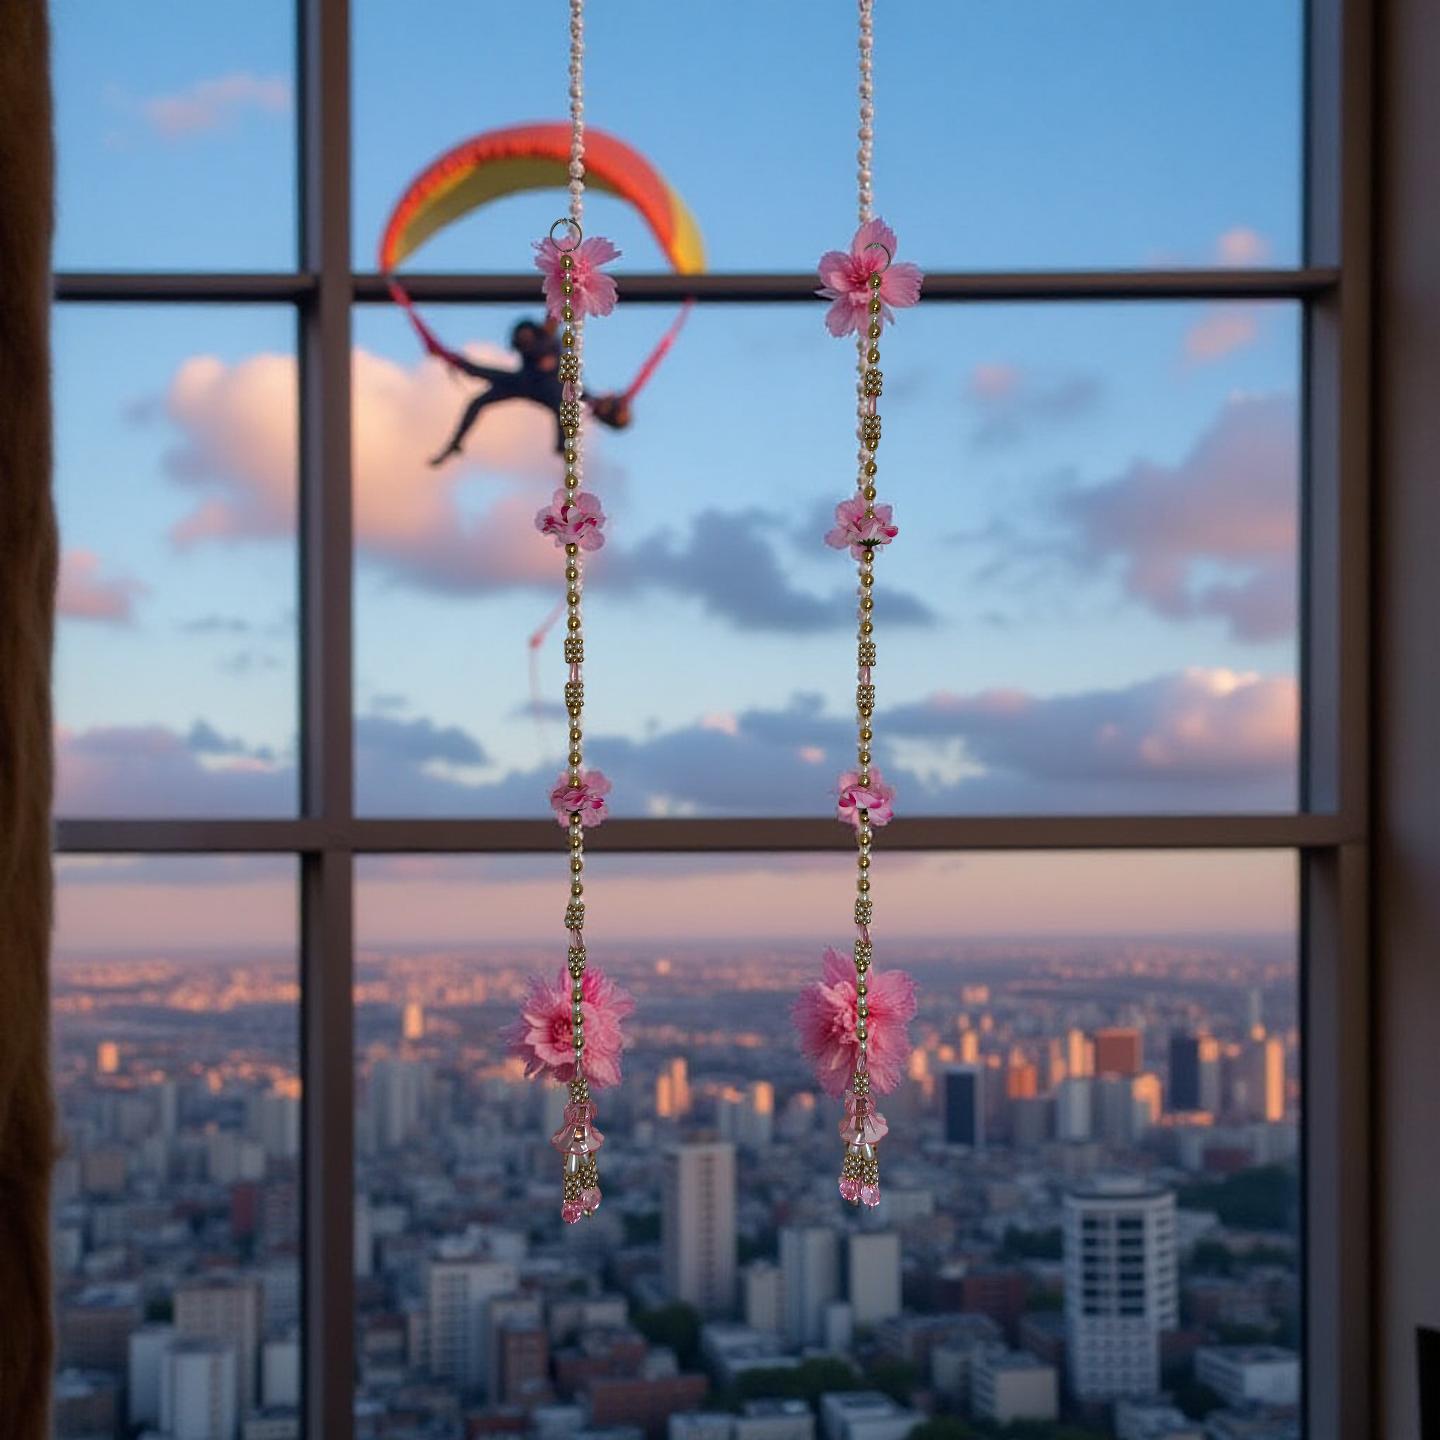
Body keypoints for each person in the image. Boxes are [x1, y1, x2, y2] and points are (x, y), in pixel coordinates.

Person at [428, 317, 630, 466]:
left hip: (550, 389)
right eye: (522, 342)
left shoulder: (549, 342)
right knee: (477, 400)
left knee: (566, 405)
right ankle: (454, 445)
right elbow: (478, 370)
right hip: (527, 384)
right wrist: (448, 357)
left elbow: (552, 321)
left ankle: (606, 416)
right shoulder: (531, 355)